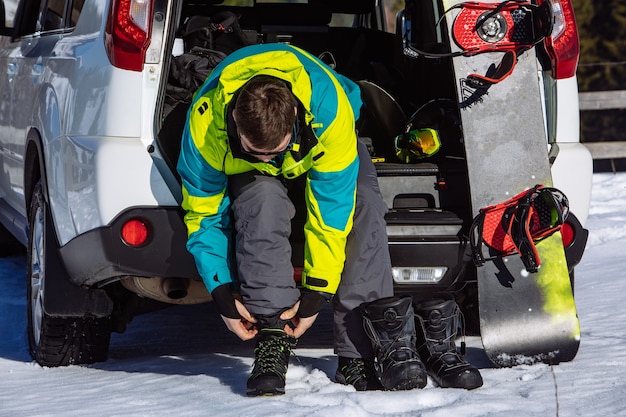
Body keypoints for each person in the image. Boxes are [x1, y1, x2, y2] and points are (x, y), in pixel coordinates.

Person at [177, 43, 481, 396]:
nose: (269, 162)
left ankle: (360, 353)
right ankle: (273, 335)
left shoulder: (329, 110)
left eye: (274, 153)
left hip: (324, 147)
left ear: (295, 120)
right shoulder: (205, 125)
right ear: (234, 124)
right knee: (260, 201)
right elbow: (203, 214)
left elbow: (330, 216)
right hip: (248, 166)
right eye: (254, 152)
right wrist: (221, 293)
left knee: (363, 208)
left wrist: (316, 294)